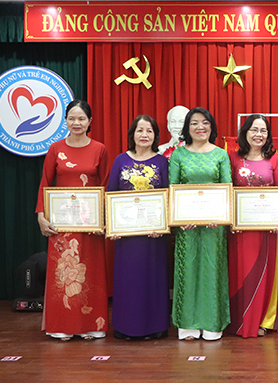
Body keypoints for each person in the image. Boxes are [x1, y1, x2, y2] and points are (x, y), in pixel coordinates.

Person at [35, 100, 109, 341]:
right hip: (62, 225)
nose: (76, 123)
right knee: (63, 273)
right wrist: (41, 216)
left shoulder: (100, 149)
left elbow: (106, 186)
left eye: (81, 119)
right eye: (72, 118)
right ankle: (62, 325)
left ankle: (91, 324)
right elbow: (45, 183)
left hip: (91, 224)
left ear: (90, 122)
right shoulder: (56, 149)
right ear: (65, 120)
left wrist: (104, 219)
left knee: (91, 273)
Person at [169, 107, 231, 341]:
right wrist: (179, 220)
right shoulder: (178, 155)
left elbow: (227, 187)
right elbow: (172, 189)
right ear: (187, 128)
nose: (200, 127)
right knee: (188, 270)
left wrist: (222, 217)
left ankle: (212, 323)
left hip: (215, 227)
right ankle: (187, 325)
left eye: (205, 123)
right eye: (194, 123)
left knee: (212, 271)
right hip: (187, 227)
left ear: (212, 127)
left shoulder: (220, 154)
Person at [107, 115, 169, 340]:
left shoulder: (162, 162)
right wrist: (113, 226)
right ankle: (125, 327)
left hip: (153, 234)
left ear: (156, 135)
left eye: (149, 131)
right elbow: (111, 193)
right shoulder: (120, 160)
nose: (144, 135)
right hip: (127, 234)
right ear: (132, 134)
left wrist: (161, 225)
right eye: (140, 130)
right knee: (128, 280)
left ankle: (155, 326)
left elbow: (168, 197)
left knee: (152, 278)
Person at [227, 114, 278, 338]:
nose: (258, 134)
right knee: (240, 275)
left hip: (267, 230)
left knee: (263, 275)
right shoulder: (232, 159)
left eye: (263, 130)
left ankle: (263, 321)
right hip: (240, 231)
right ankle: (240, 321)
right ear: (245, 132)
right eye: (254, 129)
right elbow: (227, 192)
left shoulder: (274, 160)